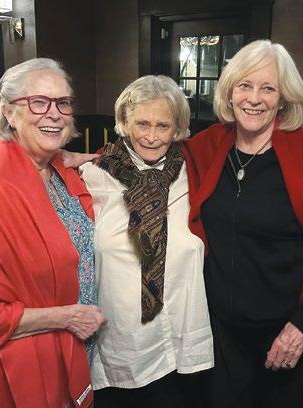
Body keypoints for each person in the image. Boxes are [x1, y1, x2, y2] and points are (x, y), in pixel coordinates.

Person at [181, 39, 303, 408]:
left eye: (268, 88)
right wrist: (88, 158)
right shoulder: (210, 145)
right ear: (230, 93)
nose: (254, 99)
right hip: (220, 337)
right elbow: (153, 151)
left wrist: (302, 327)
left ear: (283, 98)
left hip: (285, 336)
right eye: (245, 85)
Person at [0, 58, 107, 408]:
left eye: (63, 103)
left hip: (65, 355)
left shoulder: (57, 168)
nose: (54, 113)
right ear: (9, 113)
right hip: (13, 367)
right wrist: (67, 317)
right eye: (38, 102)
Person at [78, 75, 214, 408]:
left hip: (181, 339)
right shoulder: (93, 175)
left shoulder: (195, 173)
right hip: (122, 342)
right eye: (142, 124)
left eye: (163, 126)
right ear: (124, 122)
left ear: (178, 128)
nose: (151, 137)